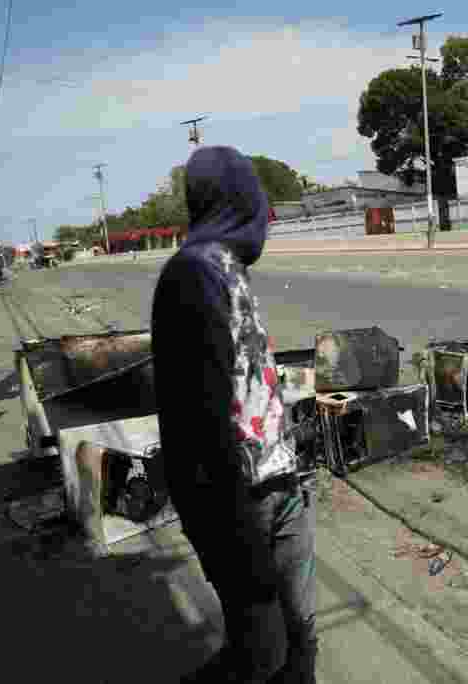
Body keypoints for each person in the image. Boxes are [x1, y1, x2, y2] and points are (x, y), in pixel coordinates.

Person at [151, 146, 318, 684]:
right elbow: (197, 426)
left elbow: (245, 388)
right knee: (261, 652)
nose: (265, 218)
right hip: (239, 504)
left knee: (299, 635)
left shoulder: (228, 270)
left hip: (280, 485)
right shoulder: (191, 277)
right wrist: (238, 537)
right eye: (258, 204)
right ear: (237, 204)